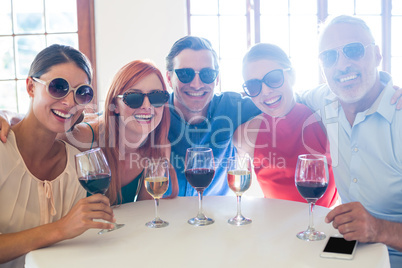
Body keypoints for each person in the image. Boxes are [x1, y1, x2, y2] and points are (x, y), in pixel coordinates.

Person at [300, 15, 402, 267]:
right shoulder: (325, 99)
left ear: (378, 55)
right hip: (347, 252)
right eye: (329, 57)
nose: (342, 65)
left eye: (353, 51)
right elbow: (281, 97)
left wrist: (380, 229)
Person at [0, 44, 115, 268]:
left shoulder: (76, 165)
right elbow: (64, 232)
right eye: (58, 87)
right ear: (31, 87)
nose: (70, 102)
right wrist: (61, 228)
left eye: (81, 92)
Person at [234, 43, 338, 208]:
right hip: (272, 230)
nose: (266, 91)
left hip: (323, 229)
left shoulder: (325, 121)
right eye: (254, 86)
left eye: (274, 78)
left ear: (292, 76)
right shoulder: (246, 135)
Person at [62, 60, 178, 204]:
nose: (147, 106)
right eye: (134, 98)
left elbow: (145, 211)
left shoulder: (160, 147)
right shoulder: (85, 137)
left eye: (157, 97)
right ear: (114, 105)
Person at [165, 36, 261, 196]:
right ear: (169, 78)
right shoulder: (153, 112)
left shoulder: (232, 106)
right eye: (185, 74)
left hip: (216, 218)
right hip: (164, 217)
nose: (196, 84)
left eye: (207, 74)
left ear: (217, 79)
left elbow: (280, 106)